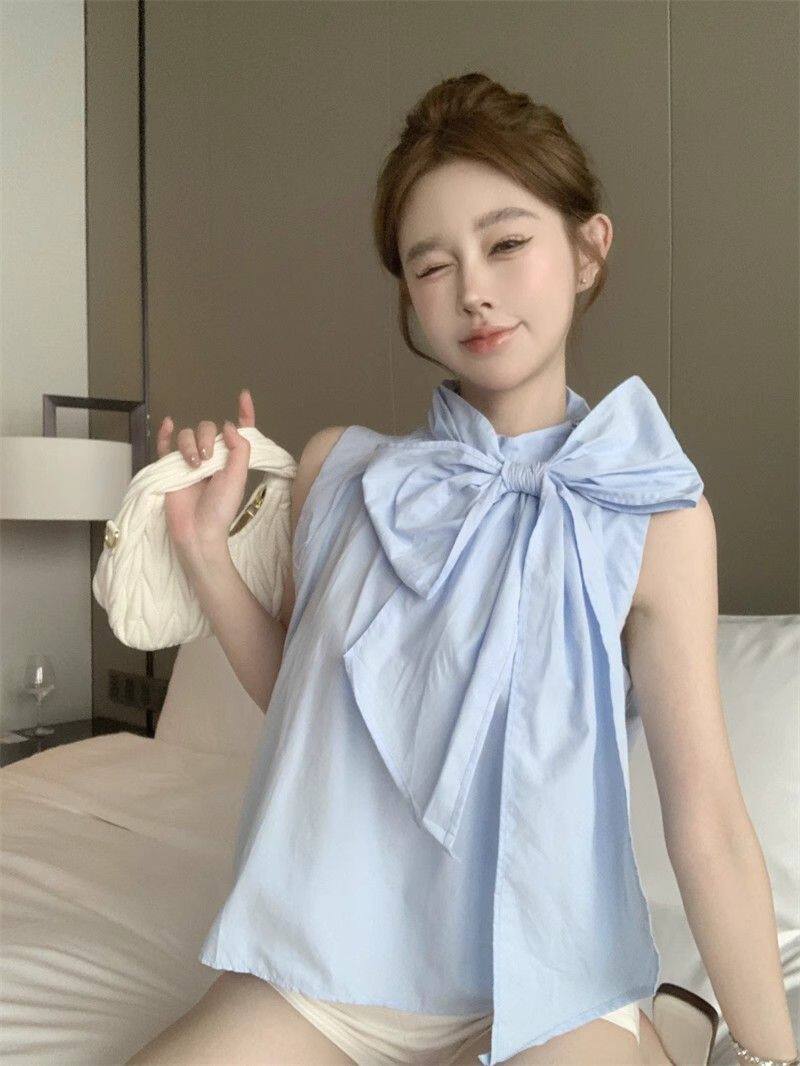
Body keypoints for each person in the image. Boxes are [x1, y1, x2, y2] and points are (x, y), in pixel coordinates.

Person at [126, 73, 798, 1066]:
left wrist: (774, 1054)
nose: (473, 289)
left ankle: (663, 1021)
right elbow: (312, 703)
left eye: (506, 243)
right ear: (408, 292)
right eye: (431, 264)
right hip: (333, 966)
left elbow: (705, 819)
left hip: (552, 973)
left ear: (587, 249)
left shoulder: (654, 514)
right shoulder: (338, 471)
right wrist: (203, 554)